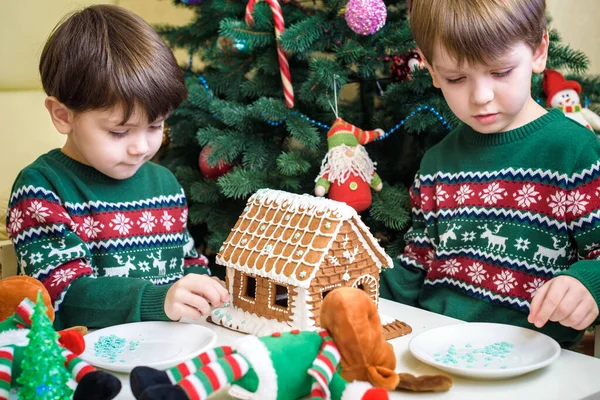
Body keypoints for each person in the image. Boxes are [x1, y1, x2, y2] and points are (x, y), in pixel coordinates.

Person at [380, 0, 600, 347]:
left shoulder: (573, 153)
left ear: (539, 52)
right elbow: (416, 263)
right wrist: (354, 292)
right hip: (434, 346)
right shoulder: (436, 164)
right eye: (456, 78)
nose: (481, 96)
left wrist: (590, 282)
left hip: (533, 364)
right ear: (432, 70)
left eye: (500, 72)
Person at [5, 5, 229, 330]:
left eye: (155, 126)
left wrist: (203, 286)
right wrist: (158, 300)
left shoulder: (164, 184)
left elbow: (188, 262)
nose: (141, 147)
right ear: (63, 116)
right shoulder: (41, 187)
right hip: (84, 361)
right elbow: (59, 296)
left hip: (167, 349)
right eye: (119, 132)